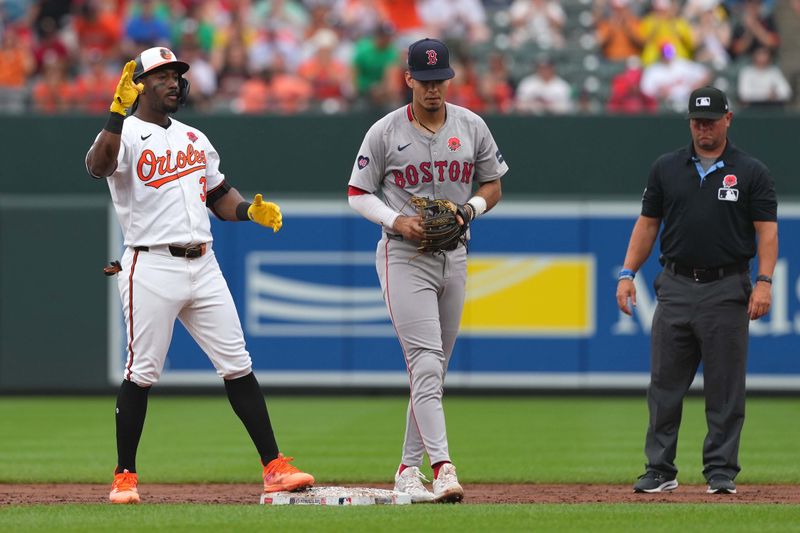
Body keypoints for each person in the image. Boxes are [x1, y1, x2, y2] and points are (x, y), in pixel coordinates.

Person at [85, 47, 315, 504]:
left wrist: (250, 210)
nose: (173, 81)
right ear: (140, 85)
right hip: (150, 264)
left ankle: (274, 467)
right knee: (141, 372)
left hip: (203, 264)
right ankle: (124, 475)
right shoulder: (124, 132)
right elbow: (98, 166)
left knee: (238, 363)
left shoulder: (194, 137)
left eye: (177, 74)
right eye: (163, 75)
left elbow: (219, 195)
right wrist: (114, 112)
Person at [347, 38, 508, 503]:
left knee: (431, 372)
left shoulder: (471, 125)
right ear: (409, 79)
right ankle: (443, 466)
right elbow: (358, 192)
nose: (434, 88)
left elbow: (492, 184)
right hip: (403, 255)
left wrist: (470, 209)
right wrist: (395, 219)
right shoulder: (384, 131)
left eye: (441, 80)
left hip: (454, 253)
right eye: (426, 79)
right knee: (426, 362)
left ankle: (405, 468)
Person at [616, 86, 778, 495]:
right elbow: (647, 224)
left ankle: (721, 469)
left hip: (727, 285)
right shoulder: (667, 168)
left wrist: (764, 281)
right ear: (689, 123)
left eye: (710, 120)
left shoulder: (751, 171)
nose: (703, 128)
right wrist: (626, 272)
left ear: (728, 119)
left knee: (725, 385)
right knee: (664, 384)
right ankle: (659, 468)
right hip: (675, 283)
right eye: (696, 121)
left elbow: (767, 232)